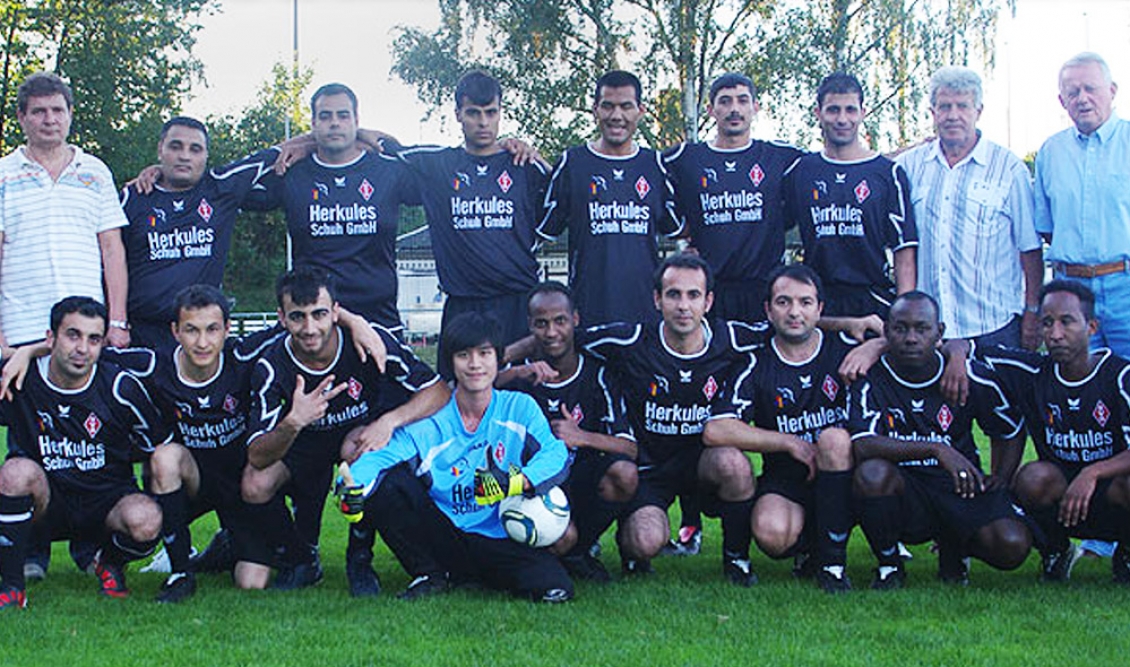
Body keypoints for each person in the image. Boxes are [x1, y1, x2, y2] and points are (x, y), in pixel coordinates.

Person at [340, 311, 575, 602]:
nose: (475, 364)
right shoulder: (432, 419)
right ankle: (430, 574)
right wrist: (350, 490)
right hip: (443, 534)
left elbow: (555, 453)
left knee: (556, 589)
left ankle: (473, 576)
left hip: (498, 534)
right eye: (464, 355)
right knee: (389, 483)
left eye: (484, 353)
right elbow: (380, 456)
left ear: (499, 358)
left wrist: (514, 483)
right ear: (451, 361)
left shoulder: (519, 407)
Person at [241, 267, 447, 594]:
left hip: (356, 435)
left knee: (356, 449)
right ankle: (300, 559)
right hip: (302, 442)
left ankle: (359, 558)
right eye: (298, 317)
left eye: (319, 314)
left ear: (337, 311)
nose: (310, 328)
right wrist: (294, 420)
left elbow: (437, 390)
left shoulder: (365, 339)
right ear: (281, 317)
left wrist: (389, 421)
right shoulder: (271, 364)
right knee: (254, 483)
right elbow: (257, 454)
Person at [579, 253, 764, 584]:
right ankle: (631, 549)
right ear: (657, 299)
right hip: (651, 471)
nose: (683, 305)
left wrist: (855, 331)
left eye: (693, 295)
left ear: (708, 301)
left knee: (735, 465)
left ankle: (737, 559)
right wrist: (511, 360)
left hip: (703, 466)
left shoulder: (731, 339)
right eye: (673, 294)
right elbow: (561, 338)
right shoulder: (631, 341)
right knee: (645, 542)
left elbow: (794, 323)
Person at [947, 281, 1130, 583]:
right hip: (1060, 494)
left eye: (1066, 322)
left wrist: (1092, 472)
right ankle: (1056, 550)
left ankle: (1126, 549)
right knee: (1032, 477)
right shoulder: (1032, 372)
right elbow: (963, 345)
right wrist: (956, 358)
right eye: (1047, 323)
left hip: (1109, 491)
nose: (1055, 334)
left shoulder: (1120, 375)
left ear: (1092, 327)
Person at [849, 291, 1032, 588]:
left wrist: (1002, 477)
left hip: (960, 488)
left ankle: (955, 547)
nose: (911, 338)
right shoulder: (871, 377)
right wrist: (936, 449)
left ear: (940, 332)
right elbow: (863, 444)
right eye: (900, 328)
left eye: (921, 329)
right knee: (871, 474)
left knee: (1011, 545)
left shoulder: (966, 375)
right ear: (886, 331)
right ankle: (889, 566)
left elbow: (1009, 428)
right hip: (907, 492)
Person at [0, 297, 174, 609]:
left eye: (93, 339)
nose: (82, 348)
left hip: (105, 502)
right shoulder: (19, 377)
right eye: (73, 335)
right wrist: (23, 352)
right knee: (15, 473)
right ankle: (12, 587)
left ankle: (108, 562)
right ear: (50, 338)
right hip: (46, 502)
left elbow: (156, 449)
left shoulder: (121, 387)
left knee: (147, 520)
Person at [703, 264, 857, 593]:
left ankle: (832, 566)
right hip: (788, 478)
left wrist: (876, 346)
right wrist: (789, 442)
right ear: (768, 311)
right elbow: (716, 430)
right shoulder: (755, 362)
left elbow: (905, 336)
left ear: (820, 309)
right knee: (772, 535)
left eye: (804, 302)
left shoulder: (846, 348)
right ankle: (811, 548)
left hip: (849, 476)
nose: (794, 312)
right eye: (784, 302)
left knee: (833, 439)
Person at [391, 71, 549, 376]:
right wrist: (306, 141)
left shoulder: (523, 165)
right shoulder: (437, 164)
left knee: (521, 399)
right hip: (463, 305)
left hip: (517, 304)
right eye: (473, 113)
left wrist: (537, 155)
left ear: (500, 113)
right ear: (458, 115)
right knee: (457, 403)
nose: (483, 122)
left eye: (491, 113)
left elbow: (566, 193)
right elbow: (381, 145)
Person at [246, 83, 419, 332]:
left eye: (343, 115)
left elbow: (432, 166)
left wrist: (369, 135)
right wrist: (301, 143)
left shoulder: (388, 170)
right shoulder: (293, 174)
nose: (335, 123)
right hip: (312, 326)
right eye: (325, 116)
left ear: (357, 120)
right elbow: (234, 184)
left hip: (379, 320)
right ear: (313, 123)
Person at [498, 281, 638, 581]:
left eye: (560, 321)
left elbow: (630, 449)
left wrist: (581, 437)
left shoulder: (598, 374)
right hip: (531, 481)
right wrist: (516, 370)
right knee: (561, 537)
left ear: (575, 319)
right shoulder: (519, 375)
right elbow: (466, 388)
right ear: (530, 326)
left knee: (624, 475)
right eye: (541, 323)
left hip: (581, 476)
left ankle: (580, 551)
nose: (551, 333)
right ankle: (549, 554)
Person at [895, 66, 1042, 350]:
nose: (953, 115)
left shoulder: (1009, 168)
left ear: (979, 110)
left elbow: (1029, 248)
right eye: (944, 106)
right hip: (928, 329)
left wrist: (1032, 311)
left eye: (962, 106)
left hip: (993, 325)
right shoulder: (908, 167)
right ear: (932, 112)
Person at [119, 117, 279, 349]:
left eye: (195, 149)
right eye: (176, 146)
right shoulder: (133, 198)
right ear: (160, 149)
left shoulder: (220, 189)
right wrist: (115, 322)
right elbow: (109, 264)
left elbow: (283, 151)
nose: (185, 156)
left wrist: (352, 140)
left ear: (205, 155)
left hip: (200, 337)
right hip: (142, 334)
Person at [537, 70, 681, 327]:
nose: (617, 116)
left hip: (645, 315)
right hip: (588, 312)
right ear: (595, 110)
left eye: (626, 106)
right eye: (608, 106)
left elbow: (681, 229)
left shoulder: (655, 165)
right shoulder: (572, 163)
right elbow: (541, 231)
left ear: (640, 110)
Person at [0, 72, 130, 353]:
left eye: (57, 110)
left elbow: (112, 250)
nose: (50, 120)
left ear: (70, 114)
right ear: (21, 117)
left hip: (85, 331)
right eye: (39, 111)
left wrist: (117, 321)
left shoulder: (95, 172)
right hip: (20, 331)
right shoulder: (3, 174)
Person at [664, 72, 805, 323]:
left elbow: (834, 165)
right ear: (711, 109)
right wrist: (680, 230)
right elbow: (645, 178)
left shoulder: (781, 156)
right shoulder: (685, 158)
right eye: (725, 101)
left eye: (742, 100)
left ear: (755, 107)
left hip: (763, 290)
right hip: (709, 292)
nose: (734, 109)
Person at [784, 72, 917, 317]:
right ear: (818, 114)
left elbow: (904, 249)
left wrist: (904, 312)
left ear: (863, 112)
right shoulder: (801, 171)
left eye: (850, 110)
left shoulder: (888, 173)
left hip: (872, 299)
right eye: (833, 110)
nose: (842, 119)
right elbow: (770, 226)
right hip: (816, 303)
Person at [1034, 53, 1130, 358]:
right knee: (1080, 389)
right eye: (1073, 92)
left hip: (1125, 289)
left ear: (1112, 91)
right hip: (1071, 294)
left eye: (1091, 88)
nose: (1083, 98)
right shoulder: (1050, 152)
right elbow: (1047, 229)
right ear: (1062, 101)